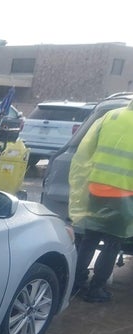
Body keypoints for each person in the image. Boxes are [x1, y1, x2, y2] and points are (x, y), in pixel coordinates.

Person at [69, 100, 133, 303]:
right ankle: (96, 289)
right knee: (113, 243)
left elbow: (85, 151)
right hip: (124, 192)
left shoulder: (111, 115)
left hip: (96, 187)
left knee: (90, 238)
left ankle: (75, 283)